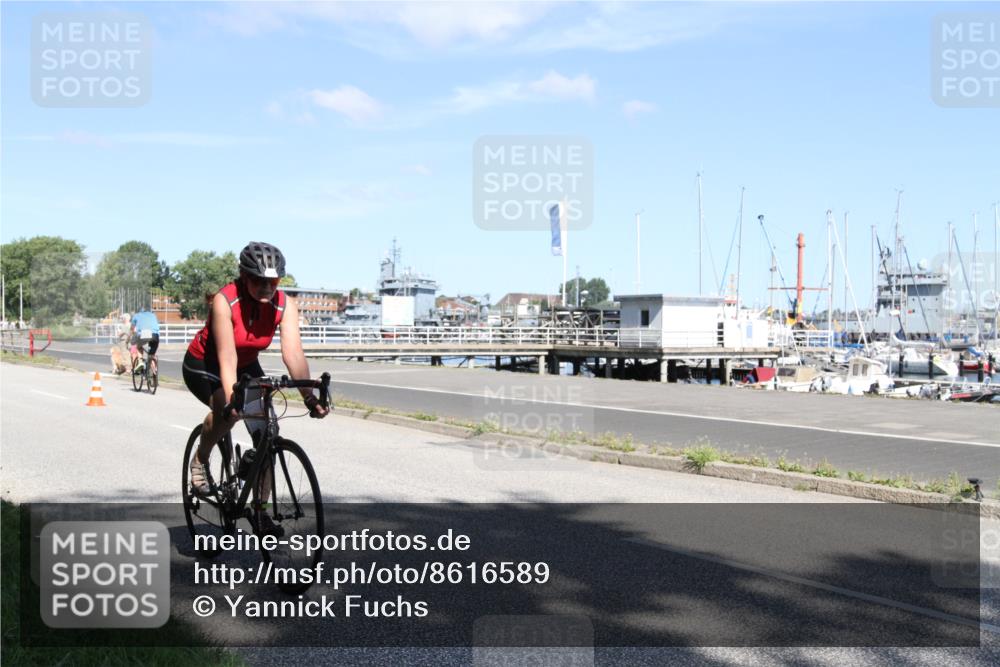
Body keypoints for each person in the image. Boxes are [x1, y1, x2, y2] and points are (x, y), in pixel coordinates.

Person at [183, 242, 329, 495]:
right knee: (227, 413)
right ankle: (200, 459)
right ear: (243, 275)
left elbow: (293, 353)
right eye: (258, 280)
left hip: (247, 364)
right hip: (206, 364)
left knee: (266, 435)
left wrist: (308, 396)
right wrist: (232, 402)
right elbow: (227, 357)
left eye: (273, 282)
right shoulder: (225, 300)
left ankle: (262, 512)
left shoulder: (285, 305)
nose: (266, 287)